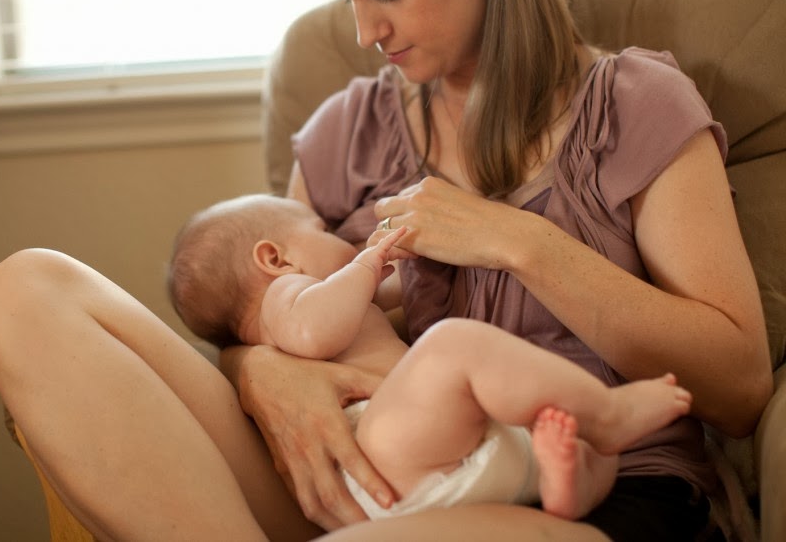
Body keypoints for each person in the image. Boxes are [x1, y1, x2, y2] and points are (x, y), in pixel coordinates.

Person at [0, 0, 773, 540]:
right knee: (23, 290)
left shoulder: (636, 106)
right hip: (363, 476)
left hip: (585, 491)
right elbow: (268, 304)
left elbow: (738, 390)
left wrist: (518, 242)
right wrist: (258, 371)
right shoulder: (343, 134)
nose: (364, 33)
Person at [168, 193, 693, 521]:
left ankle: (570, 487)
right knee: (451, 344)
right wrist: (366, 264)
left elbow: (386, 296)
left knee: (567, 439)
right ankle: (607, 412)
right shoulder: (287, 300)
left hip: (433, 460)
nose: (342, 240)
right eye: (323, 232)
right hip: (379, 451)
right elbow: (313, 331)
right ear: (275, 258)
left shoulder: (317, 305)